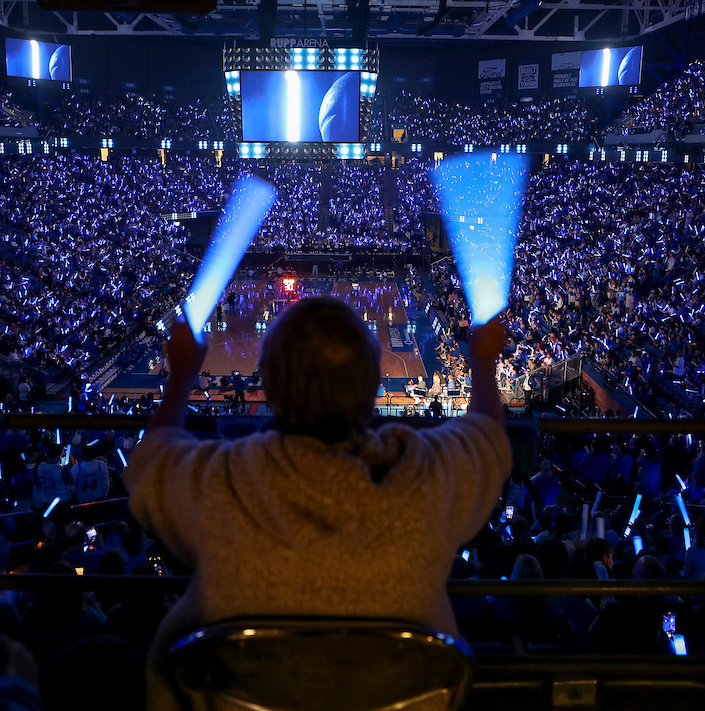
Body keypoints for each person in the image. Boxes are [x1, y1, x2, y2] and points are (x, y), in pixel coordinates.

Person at [125, 297, 511, 710]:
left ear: (268, 385)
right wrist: (483, 364)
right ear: (372, 382)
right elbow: (488, 435)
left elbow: (149, 465)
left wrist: (181, 375)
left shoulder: (223, 477)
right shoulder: (427, 473)